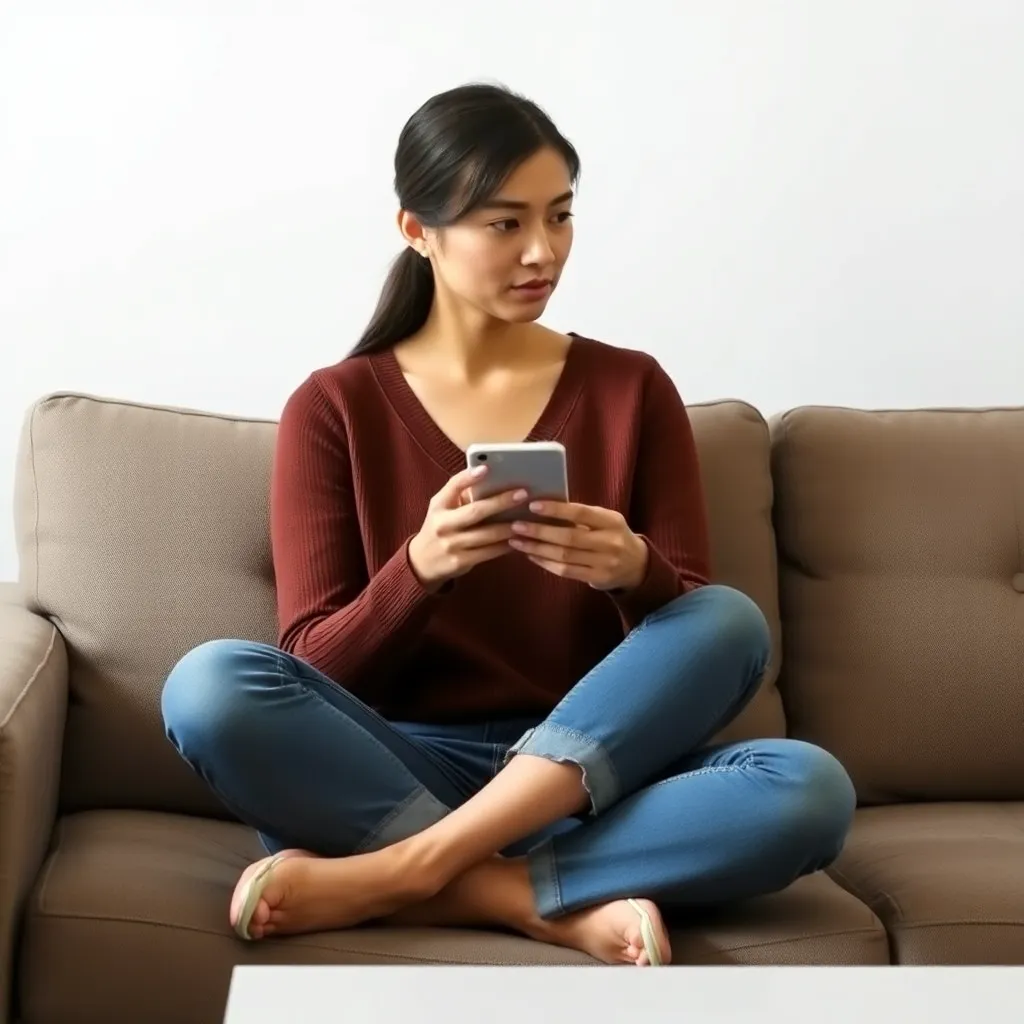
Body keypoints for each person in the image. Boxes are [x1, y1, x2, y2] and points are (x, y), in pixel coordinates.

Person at [161, 82, 856, 967]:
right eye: (505, 224)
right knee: (209, 684)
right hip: (396, 768)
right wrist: (417, 571)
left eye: (560, 217)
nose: (543, 251)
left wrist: (633, 571)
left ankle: (408, 874)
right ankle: (532, 898)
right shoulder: (334, 407)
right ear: (417, 229)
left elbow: (704, 655)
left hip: (595, 777)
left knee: (789, 747)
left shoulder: (631, 388)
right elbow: (308, 664)